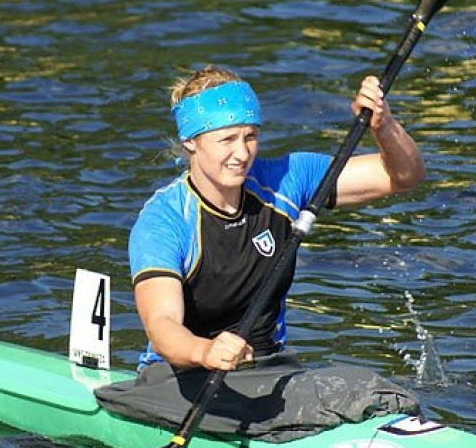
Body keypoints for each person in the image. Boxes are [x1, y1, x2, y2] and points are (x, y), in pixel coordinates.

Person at [128, 65, 425, 372]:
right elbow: (161, 326)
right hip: (178, 378)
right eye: (227, 139)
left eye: (251, 136)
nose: (242, 154)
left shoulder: (287, 179)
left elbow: (405, 176)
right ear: (191, 141)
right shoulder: (164, 220)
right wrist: (204, 351)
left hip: (268, 368)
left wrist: (384, 126)